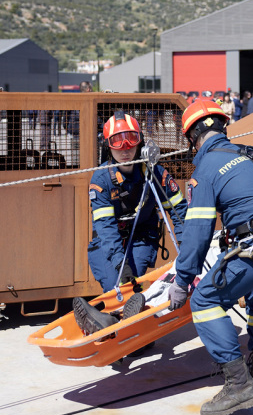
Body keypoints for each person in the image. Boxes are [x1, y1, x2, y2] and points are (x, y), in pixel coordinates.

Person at [167, 100, 253, 415]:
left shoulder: (206, 168)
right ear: (222, 128)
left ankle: (238, 384)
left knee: (204, 301)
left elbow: (197, 232)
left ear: (192, 138)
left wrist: (182, 280)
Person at [73, 110, 187, 335]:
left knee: (134, 284)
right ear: (108, 147)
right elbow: (105, 229)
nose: (125, 148)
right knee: (115, 285)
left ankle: (128, 327)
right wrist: (119, 263)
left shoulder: (155, 173)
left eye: (131, 140)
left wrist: (188, 247)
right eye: (117, 142)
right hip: (109, 243)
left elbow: (179, 212)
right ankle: (110, 321)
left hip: (141, 237)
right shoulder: (101, 180)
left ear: (140, 143)